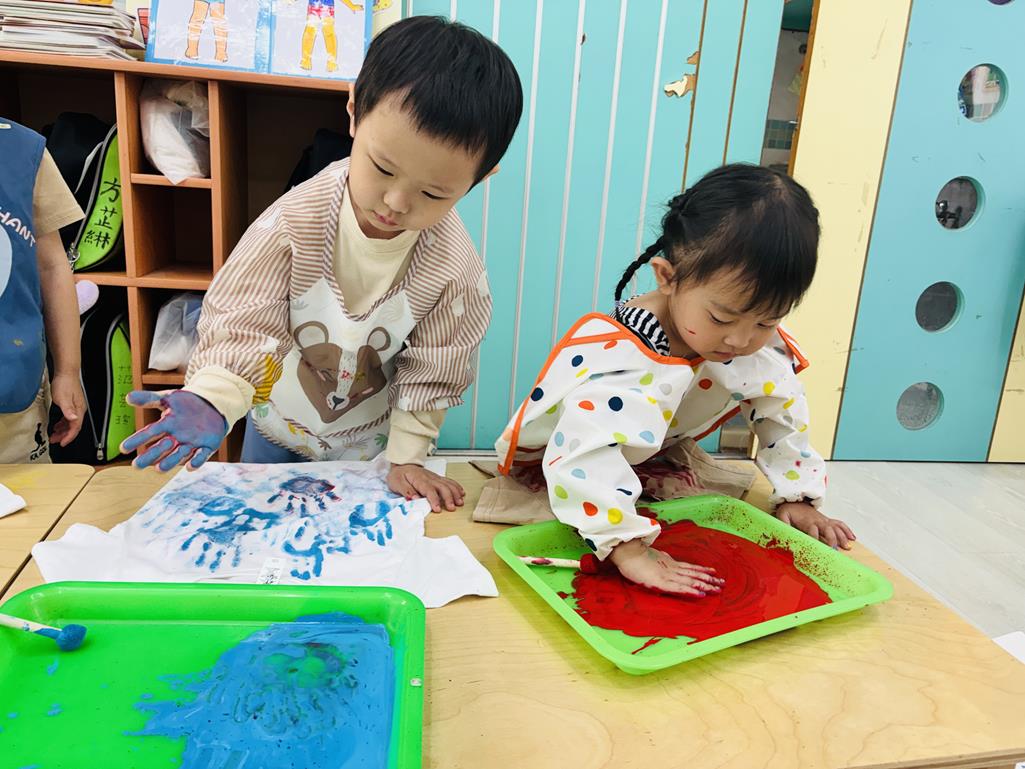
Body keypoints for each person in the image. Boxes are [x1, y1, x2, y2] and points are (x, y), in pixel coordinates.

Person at [121, 15, 523, 514]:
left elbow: (437, 363)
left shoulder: (453, 267)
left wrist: (408, 457)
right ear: (353, 112)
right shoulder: (294, 222)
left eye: (434, 193)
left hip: (372, 441)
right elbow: (247, 318)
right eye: (382, 168)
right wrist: (214, 397)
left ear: (481, 178)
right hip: (277, 420)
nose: (396, 202)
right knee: (262, 524)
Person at [496, 164, 855, 594]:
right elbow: (581, 453)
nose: (741, 340)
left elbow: (780, 403)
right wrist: (627, 548)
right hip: (559, 460)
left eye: (767, 321)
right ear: (668, 277)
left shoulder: (738, 336)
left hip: (645, 453)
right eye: (721, 318)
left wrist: (799, 496)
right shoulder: (628, 355)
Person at [0, 118, 86, 463]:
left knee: (28, 491)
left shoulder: (22, 148)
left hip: (14, 386)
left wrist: (68, 371)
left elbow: (52, 266)